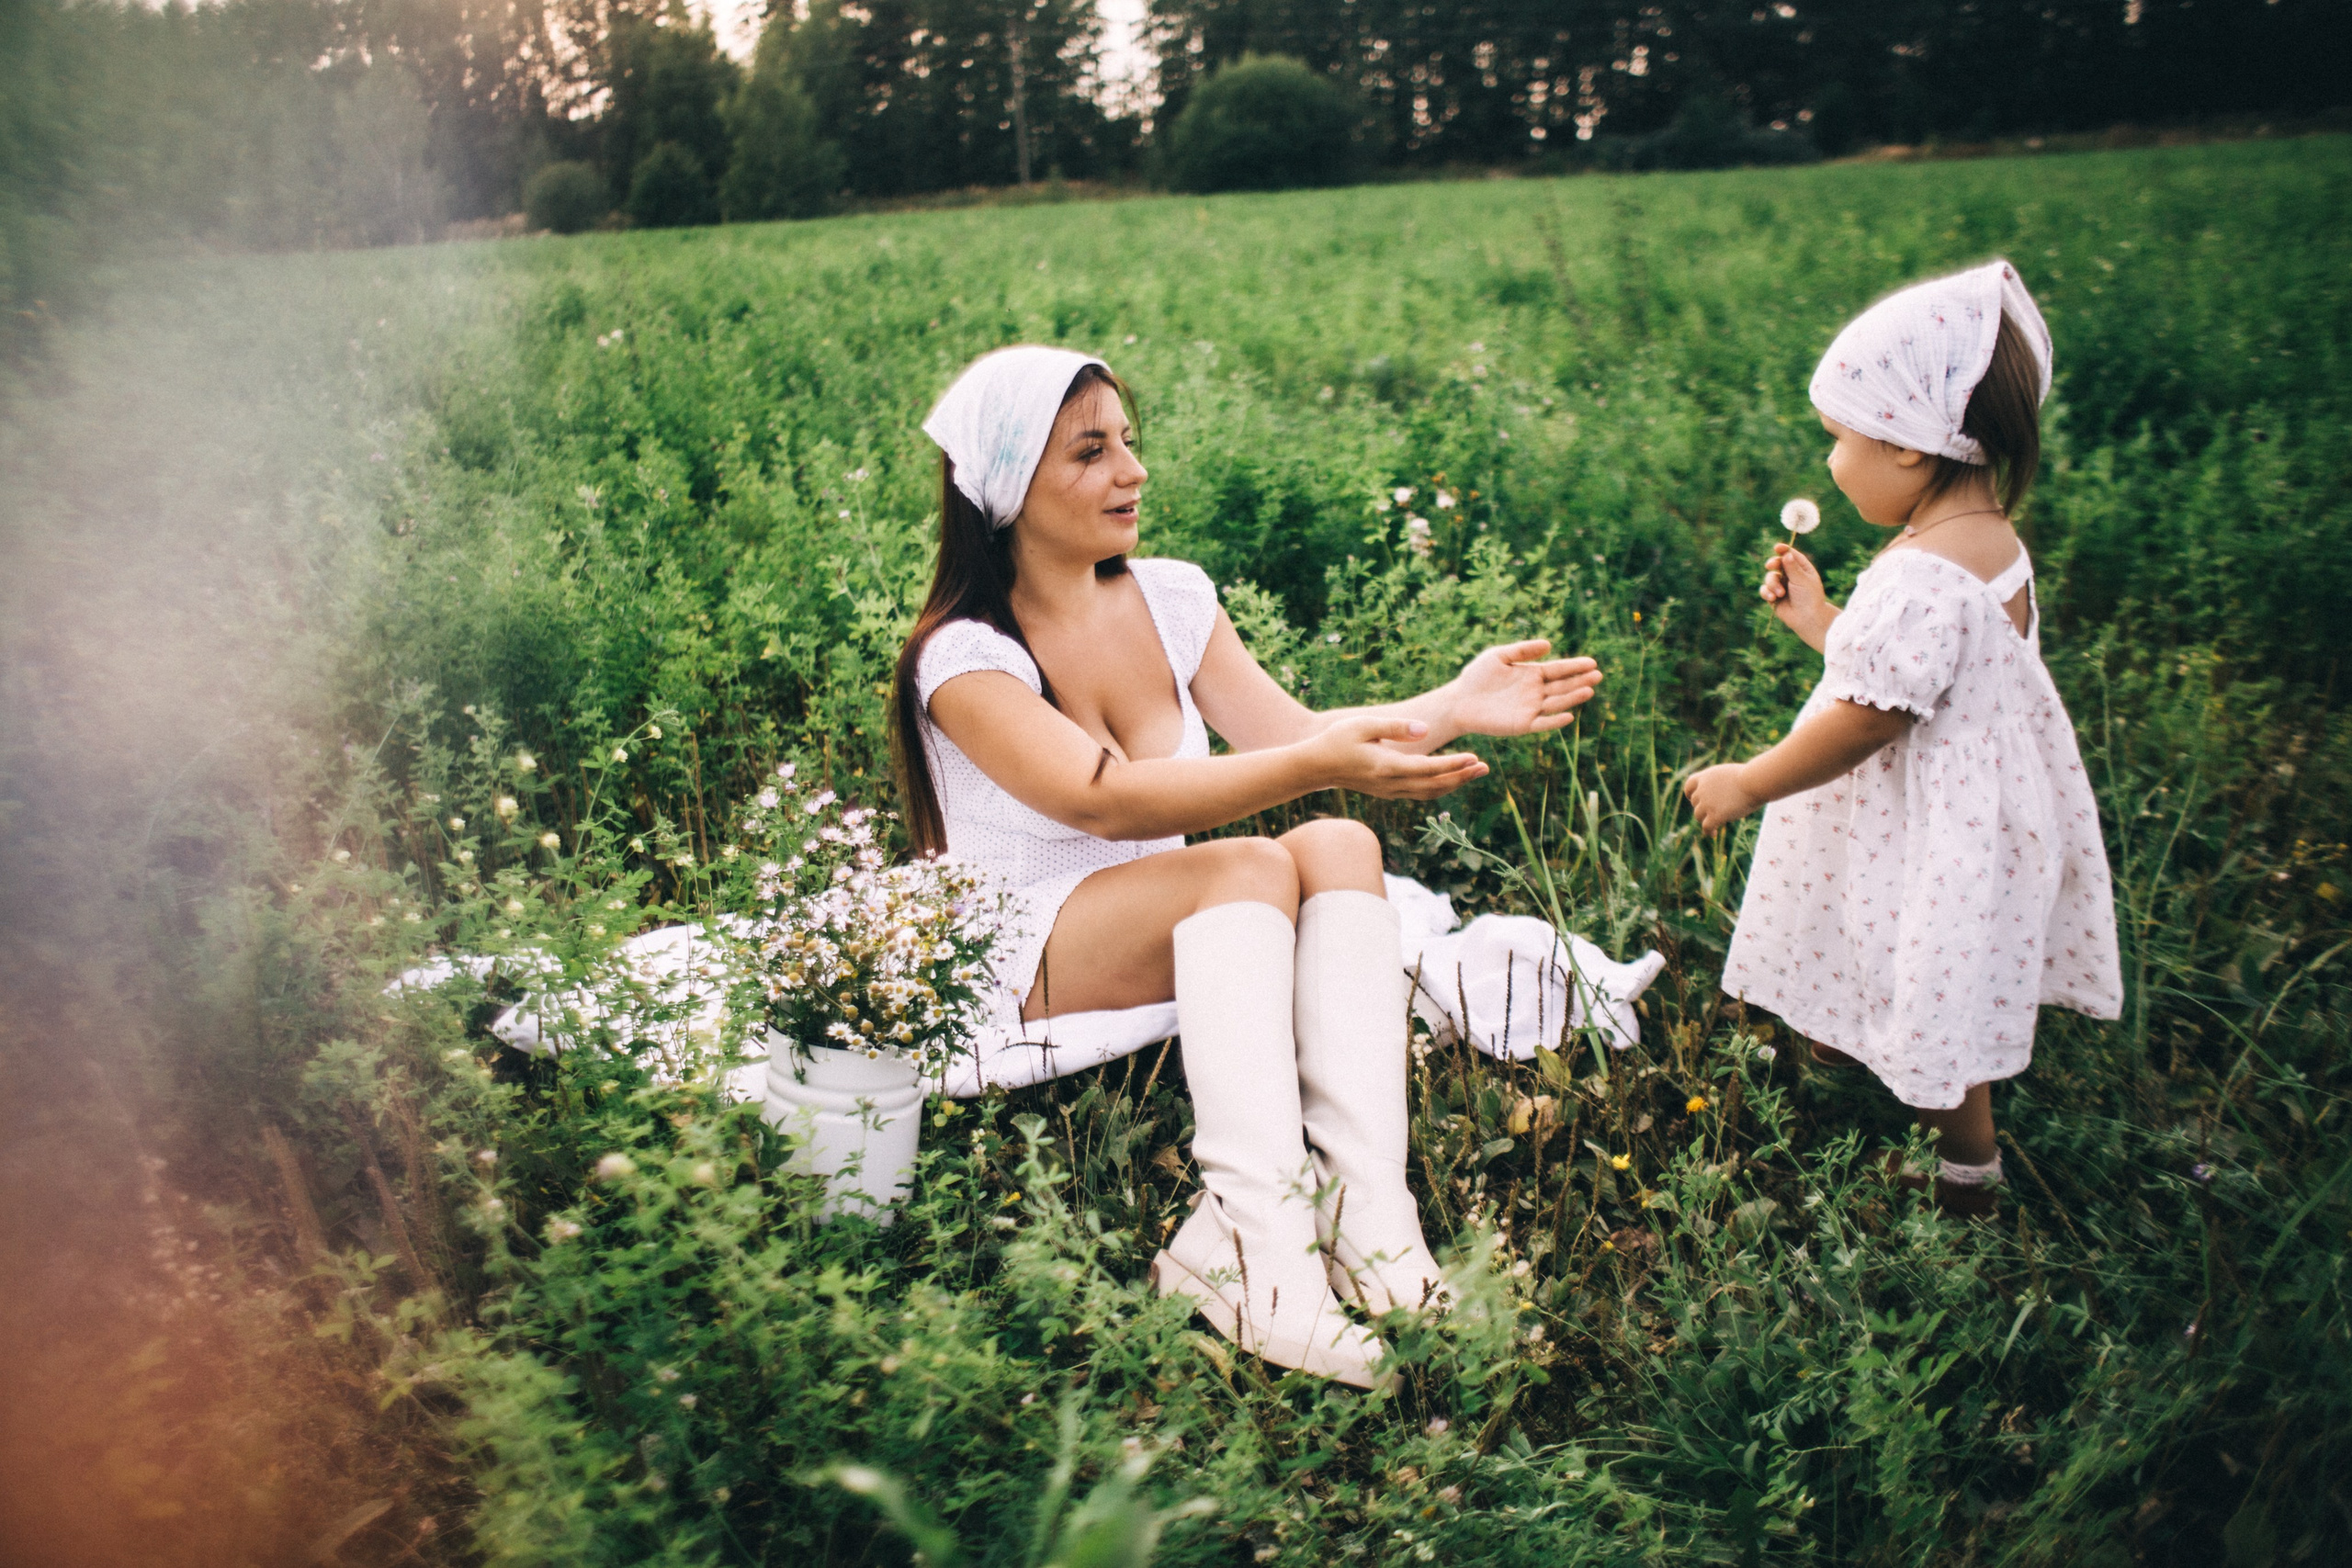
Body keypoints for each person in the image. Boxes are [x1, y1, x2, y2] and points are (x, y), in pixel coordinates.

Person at [896, 345, 1604, 1386]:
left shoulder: (1172, 596)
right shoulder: (964, 655)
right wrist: (1315, 764)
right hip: (1018, 945)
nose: (1131, 470)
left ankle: (1374, 1227)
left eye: (1128, 442)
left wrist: (1445, 708)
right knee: (1245, 869)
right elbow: (1098, 796)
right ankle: (1255, 1261)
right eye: (1091, 451)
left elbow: (1294, 733)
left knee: (1337, 843)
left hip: (1160, 910)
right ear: (1006, 489)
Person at [1684, 260, 2122, 1217]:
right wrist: (1823, 622)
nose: (1831, 461)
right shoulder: (1989, 540)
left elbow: (1868, 719)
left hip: (1924, 830)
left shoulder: (1920, 575)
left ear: (1912, 450)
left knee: (1934, 982)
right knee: (1891, 946)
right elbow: (1925, 680)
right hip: (1967, 812)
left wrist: (1751, 782)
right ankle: (1848, 1044)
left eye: (1841, 438)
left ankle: (1964, 1168)